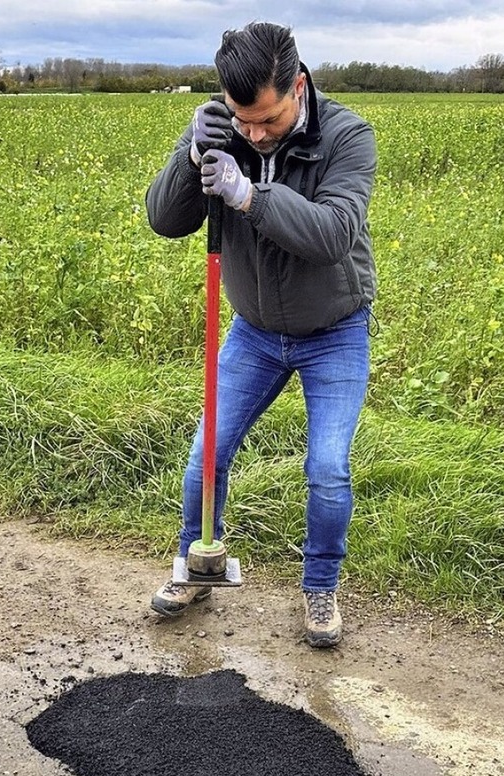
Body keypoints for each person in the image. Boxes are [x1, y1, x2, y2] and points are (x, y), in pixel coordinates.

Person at [145, 22, 377, 648]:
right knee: (207, 456)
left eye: (268, 120)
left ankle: (320, 586)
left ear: (297, 87)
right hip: (254, 330)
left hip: (334, 329)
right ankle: (199, 565)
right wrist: (189, 154)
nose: (254, 133)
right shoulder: (224, 127)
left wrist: (250, 195)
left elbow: (333, 235)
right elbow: (165, 220)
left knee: (327, 468)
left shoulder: (347, 137)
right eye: (242, 120)